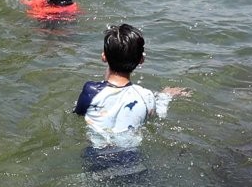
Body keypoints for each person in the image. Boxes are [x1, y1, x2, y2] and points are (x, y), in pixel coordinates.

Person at [74, 24, 188, 166]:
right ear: (141, 60)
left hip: (96, 155)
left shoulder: (90, 91)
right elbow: (157, 117)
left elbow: (78, 115)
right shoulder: (146, 96)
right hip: (131, 158)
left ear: (103, 56)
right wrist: (165, 96)